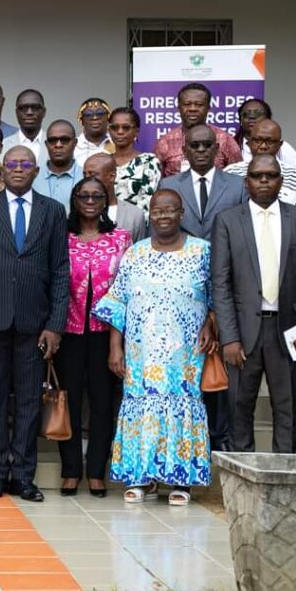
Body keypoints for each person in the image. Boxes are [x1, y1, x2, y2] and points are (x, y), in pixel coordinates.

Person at [92, 189, 216, 506]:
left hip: (185, 354)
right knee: (141, 407)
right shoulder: (135, 253)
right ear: (150, 214)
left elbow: (218, 297)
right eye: (157, 211)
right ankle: (141, 479)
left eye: (170, 210)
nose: (163, 216)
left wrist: (210, 323)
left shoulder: (202, 251)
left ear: (181, 213)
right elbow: (118, 303)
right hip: (141, 353)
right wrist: (115, 347)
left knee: (182, 407)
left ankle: (181, 481)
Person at [0, 145, 68, 502]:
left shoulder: (53, 211)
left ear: (36, 171)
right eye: (12, 163)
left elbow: (60, 270)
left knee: (28, 402)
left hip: (34, 324)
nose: (18, 168)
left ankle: (23, 476)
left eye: (25, 164)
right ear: (2, 170)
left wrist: (55, 325)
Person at [212, 155, 296, 454]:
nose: (264, 181)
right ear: (246, 181)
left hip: (288, 330)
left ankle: (286, 474)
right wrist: (229, 337)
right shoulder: (227, 220)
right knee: (239, 410)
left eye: (271, 175)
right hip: (242, 332)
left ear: (281, 180)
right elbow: (221, 284)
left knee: (287, 411)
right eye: (257, 175)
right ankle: (241, 477)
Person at [158, 124, 246, 452]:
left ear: (217, 149)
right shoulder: (169, 185)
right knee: (187, 367)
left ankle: (219, 442)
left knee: (218, 368)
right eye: (194, 145)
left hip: (227, 288)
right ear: (184, 149)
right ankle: (187, 439)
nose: (200, 151)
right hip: (183, 295)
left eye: (207, 145)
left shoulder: (236, 185)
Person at [57, 178, 131, 498]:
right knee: (69, 402)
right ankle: (71, 470)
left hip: (106, 334)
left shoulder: (121, 239)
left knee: (102, 403)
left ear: (105, 201)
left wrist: (118, 342)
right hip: (67, 332)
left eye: (96, 196)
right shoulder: (61, 237)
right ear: (74, 200)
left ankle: (97, 471)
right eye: (83, 195)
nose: (89, 201)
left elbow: (124, 291)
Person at [153, 82, 242, 177]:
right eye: (187, 104)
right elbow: (156, 180)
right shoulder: (165, 142)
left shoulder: (225, 140)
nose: (192, 109)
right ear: (179, 107)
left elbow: (238, 177)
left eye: (199, 104)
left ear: (208, 107)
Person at [223, 119, 296, 211]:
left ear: (280, 144)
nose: (263, 146)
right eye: (257, 141)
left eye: (270, 141)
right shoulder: (230, 173)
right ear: (249, 143)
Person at [83, 153, 147, 242]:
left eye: (92, 175)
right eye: (84, 175)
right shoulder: (74, 211)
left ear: (111, 177)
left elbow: (139, 248)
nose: (87, 179)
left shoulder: (134, 215)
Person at [109, 107, 162, 215]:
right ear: (109, 130)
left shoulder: (149, 162)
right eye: (115, 127)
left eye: (126, 127)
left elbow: (148, 203)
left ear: (136, 132)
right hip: (106, 223)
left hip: (138, 222)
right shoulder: (102, 162)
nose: (120, 131)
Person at [233, 99, 296, 173]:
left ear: (268, 118)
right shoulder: (232, 146)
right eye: (246, 114)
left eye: (257, 113)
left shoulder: (284, 148)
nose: (252, 117)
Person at [32, 120, 82, 208]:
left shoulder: (85, 176)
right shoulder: (33, 177)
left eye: (64, 140)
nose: (58, 145)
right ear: (46, 144)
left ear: (75, 143)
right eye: (52, 140)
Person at [2, 89, 48, 167]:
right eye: (23, 108)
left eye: (35, 107)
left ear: (44, 112)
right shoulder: (3, 146)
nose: (29, 112)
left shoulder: (55, 144)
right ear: (16, 113)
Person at [74, 98, 114, 165]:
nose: (95, 117)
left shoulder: (117, 143)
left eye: (100, 113)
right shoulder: (73, 146)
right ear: (81, 120)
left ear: (108, 118)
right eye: (88, 114)